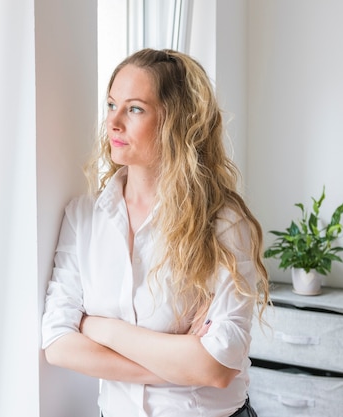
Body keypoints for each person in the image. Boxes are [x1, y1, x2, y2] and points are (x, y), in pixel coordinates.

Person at [41, 48, 269, 417]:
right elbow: (57, 343)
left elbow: (217, 366)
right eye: (111, 104)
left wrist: (97, 327)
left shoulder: (222, 223)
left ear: (174, 122)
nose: (113, 122)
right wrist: (177, 362)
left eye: (134, 109)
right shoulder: (83, 217)